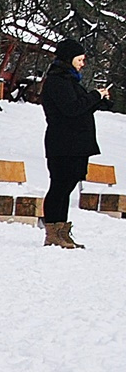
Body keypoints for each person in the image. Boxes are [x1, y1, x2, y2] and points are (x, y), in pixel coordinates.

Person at [40, 37, 112, 249]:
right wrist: (93, 96)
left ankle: (62, 230)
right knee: (59, 187)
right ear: (69, 59)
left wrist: (100, 99)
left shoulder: (71, 81)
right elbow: (71, 109)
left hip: (76, 144)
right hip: (63, 144)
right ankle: (53, 232)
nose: (83, 63)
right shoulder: (57, 81)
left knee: (67, 187)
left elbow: (82, 106)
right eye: (79, 59)